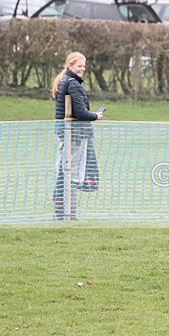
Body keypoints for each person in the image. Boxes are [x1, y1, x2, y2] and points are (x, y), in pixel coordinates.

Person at [51, 51, 103, 220]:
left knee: (64, 172)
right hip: (74, 134)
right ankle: (69, 214)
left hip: (68, 132)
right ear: (70, 65)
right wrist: (95, 116)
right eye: (79, 66)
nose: (82, 69)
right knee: (71, 175)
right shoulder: (72, 84)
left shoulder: (65, 81)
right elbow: (80, 112)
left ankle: (65, 213)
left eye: (84, 66)